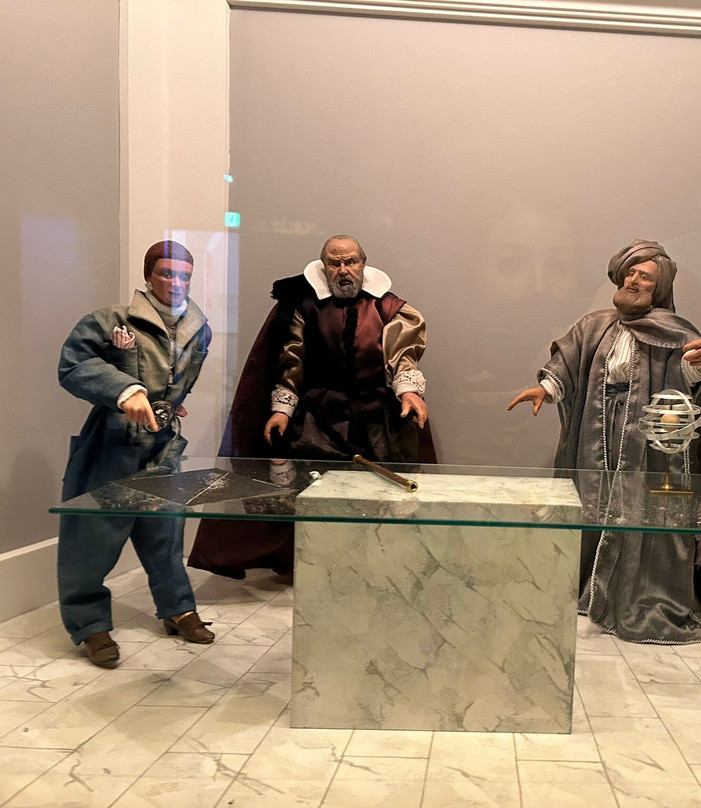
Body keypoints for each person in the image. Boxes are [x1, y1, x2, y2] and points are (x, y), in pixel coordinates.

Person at [508, 239, 701, 644]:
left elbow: (689, 380)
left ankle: (642, 593)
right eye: (630, 272)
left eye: (645, 276)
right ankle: (590, 587)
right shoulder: (594, 325)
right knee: (593, 501)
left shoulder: (676, 331)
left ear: (659, 288)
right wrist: (545, 389)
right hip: (596, 430)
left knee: (644, 509)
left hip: (648, 441)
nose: (633, 280)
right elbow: (567, 365)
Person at [187, 234, 434, 579]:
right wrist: (281, 410)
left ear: (363, 264)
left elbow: (402, 355)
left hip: (376, 420)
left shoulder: (389, 308)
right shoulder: (305, 308)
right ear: (324, 267)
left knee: (378, 496)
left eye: (350, 262)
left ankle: (376, 567)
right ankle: (316, 566)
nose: (344, 270)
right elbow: (292, 360)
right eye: (335, 263)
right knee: (313, 496)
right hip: (320, 420)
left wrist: (408, 392)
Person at [57, 240, 215, 667]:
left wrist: (171, 401)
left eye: (184, 276)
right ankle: (90, 624)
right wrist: (125, 390)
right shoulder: (112, 320)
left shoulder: (199, 326)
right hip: (111, 442)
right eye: (166, 273)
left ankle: (177, 607)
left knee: (166, 531)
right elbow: (73, 365)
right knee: (92, 535)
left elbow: (184, 373)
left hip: (162, 445)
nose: (176, 283)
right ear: (149, 275)